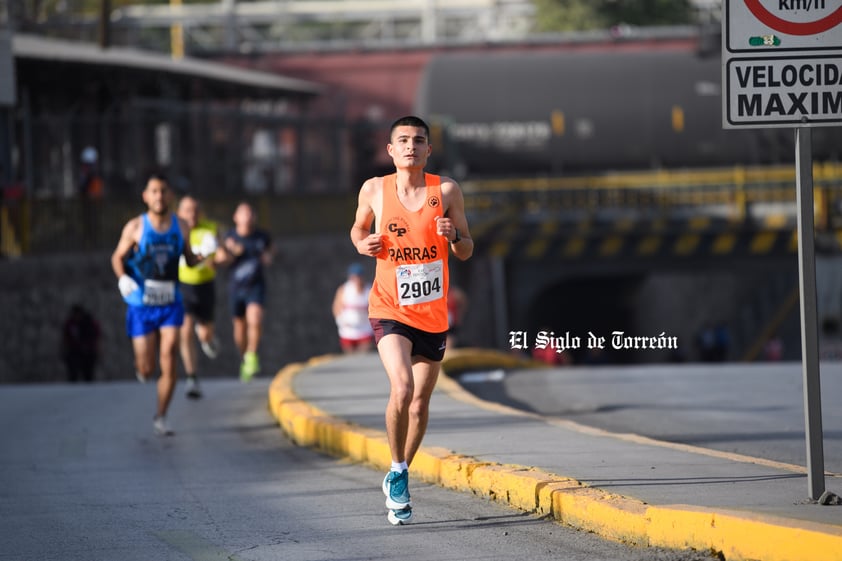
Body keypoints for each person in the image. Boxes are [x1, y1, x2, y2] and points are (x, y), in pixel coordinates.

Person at [350, 115, 473, 525]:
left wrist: (454, 235)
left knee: (420, 404)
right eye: (402, 140)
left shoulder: (447, 190)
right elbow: (356, 229)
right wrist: (363, 242)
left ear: (428, 150)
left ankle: (399, 472)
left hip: (433, 315)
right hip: (389, 308)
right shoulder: (374, 189)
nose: (410, 146)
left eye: (418, 140)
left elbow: (468, 249)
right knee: (401, 387)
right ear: (390, 150)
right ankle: (398, 469)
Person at [110, 173, 204, 436]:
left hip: (170, 302)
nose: (159, 196)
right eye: (154, 191)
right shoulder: (135, 227)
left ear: (170, 195)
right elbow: (117, 257)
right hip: (141, 303)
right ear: (146, 196)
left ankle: (161, 416)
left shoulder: (182, 226)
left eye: (163, 191)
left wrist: (199, 257)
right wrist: (122, 279)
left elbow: (188, 258)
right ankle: (142, 368)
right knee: (146, 366)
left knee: (170, 353)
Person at [220, 202, 273, 382]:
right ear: (236, 217)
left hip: (255, 286)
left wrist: (268, 257)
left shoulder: (262, 237)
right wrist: (231, 252)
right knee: (240, 327)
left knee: (255, 319)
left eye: (250, 213)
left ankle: (252, 355)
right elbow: (221, 259)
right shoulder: (230, 237)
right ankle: (244, 358)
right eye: (243, 213)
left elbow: (271, 254)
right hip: (236, 288)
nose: (247, 217)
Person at [176, 195, 222, 400]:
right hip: (183, 286)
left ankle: (208, 339)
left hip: (205, 287)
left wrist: (217, 258)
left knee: (204, 334)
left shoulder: (210, 229)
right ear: (179, 213)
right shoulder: (175, 231)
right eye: (187, 210)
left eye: (194, 210)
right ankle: (191, 377)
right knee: (184, 331)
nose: (191, 215)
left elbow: (221, 253)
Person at [332, 262, 375, 354]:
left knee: (364, 355)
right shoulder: (344, 289)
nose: (357, 279)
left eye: (359, 276)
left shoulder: (369, 290)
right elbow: (336, 307)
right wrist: (340, 321)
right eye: (354, 277)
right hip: (347, 330)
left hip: (365, 330)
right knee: (350, 356)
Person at [61, 304, 101, 383]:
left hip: (88, 352)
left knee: (88, 373)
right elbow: (66, 337)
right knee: (73, 373)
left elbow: (96, 336)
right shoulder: (70, 323)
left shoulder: (88, 323)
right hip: (74, 351)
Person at [446, 284, 468, 349]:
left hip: (451, 328)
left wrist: (459, 316)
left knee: (449, 342)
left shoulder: (454, 294)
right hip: (439, 327)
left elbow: (464, 301)